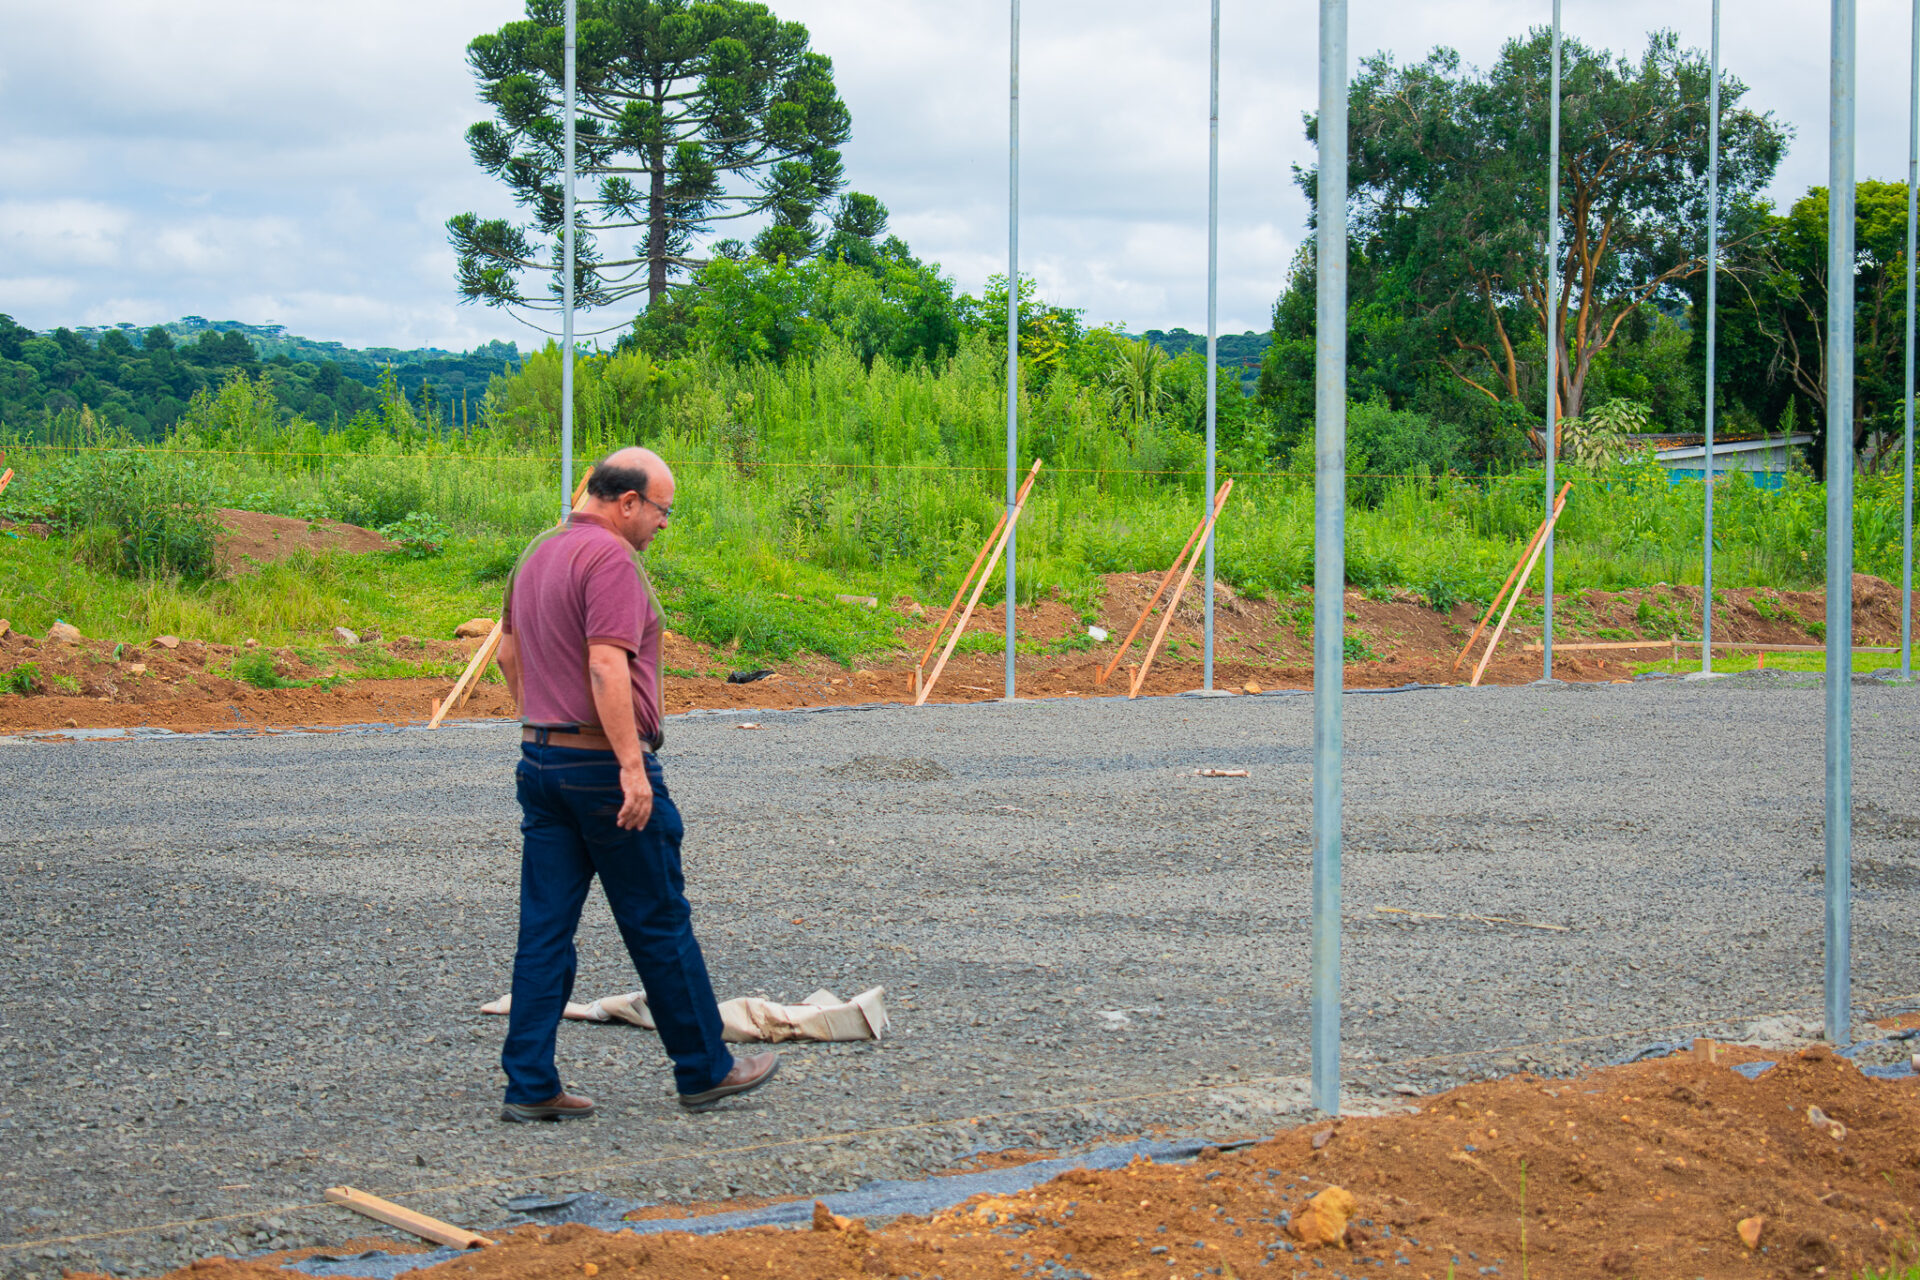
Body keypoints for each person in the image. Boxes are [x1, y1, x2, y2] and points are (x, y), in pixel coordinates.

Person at [494, 446, 777, 1121]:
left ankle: (529, 1083)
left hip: (541, 760)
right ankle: (705, 1070)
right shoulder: (611, 560)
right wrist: (627, 762)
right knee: (657, 923)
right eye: (661, 511)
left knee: (544, 930)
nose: (663, 524)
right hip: (601, 770)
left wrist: (545, 720)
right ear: (627, 502)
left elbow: (507, 654)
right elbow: (605, 666)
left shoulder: (536, 551)